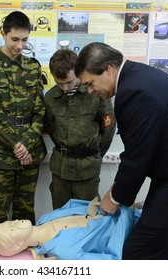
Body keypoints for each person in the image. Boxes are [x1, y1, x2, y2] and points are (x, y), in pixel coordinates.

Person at [75, 42, 168, 260]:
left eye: (91, 83)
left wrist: (116, 198)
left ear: (108, 69)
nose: (91, 91)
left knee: (138, 253)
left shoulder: (133, 92)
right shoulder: (139, 76)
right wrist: (116, 188)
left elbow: (138, 156)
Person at [0, 11, 47, 230]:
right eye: (14, 39)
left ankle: (26, 262)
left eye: (25, 40)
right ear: (3, 34)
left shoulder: (34, 67)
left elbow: (40, 111)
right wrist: (16, 145)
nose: (19, 46)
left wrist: (26, 144)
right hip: (1, 156)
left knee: (26, 212)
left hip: (30, 154)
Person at [45, 49, 116, 209]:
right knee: (59, 217)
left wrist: (95, 155)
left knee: (87, 217)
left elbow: (108, 128)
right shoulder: (50, 97)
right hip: (60, 171)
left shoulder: (95, 93)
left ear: (78, 72)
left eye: (69, 82)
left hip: (87, 171)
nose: (64, 88)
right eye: (59, 83)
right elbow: (51, 129)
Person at [0, 198, 138, 260]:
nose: (14, 221)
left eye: (9, 222)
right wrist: (127, 213)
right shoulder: (64, 251)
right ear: (18, 244)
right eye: (11, 228)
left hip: (122, 210)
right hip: (131, 228)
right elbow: (112, 259)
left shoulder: (45, 218)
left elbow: (74, 206)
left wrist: (104, 204)